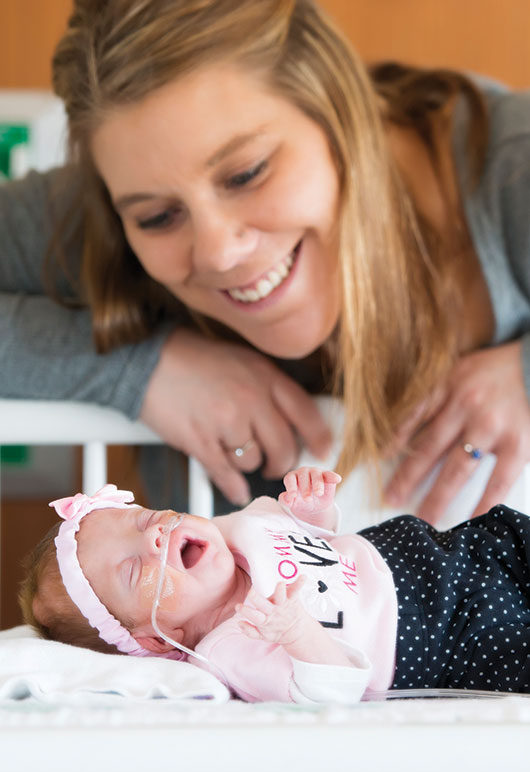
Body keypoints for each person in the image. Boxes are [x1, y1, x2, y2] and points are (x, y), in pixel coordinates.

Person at [1, 0, 530, 522]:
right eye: (159, 217)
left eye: (246, 174)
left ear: (337, 107)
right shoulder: (100, 221)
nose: (218, 253)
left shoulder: (510, 166)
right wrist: (138, 370)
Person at [19, 466, 530, 703]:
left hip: (431, 553)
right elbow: (334, 691)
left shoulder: (235, 529)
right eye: (133, 570)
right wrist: (298, 634)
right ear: (155, 638)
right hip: (440, 634)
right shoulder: (233, 647)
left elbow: (317, 537)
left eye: (146, 518)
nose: (155, 538)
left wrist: (312, 511)